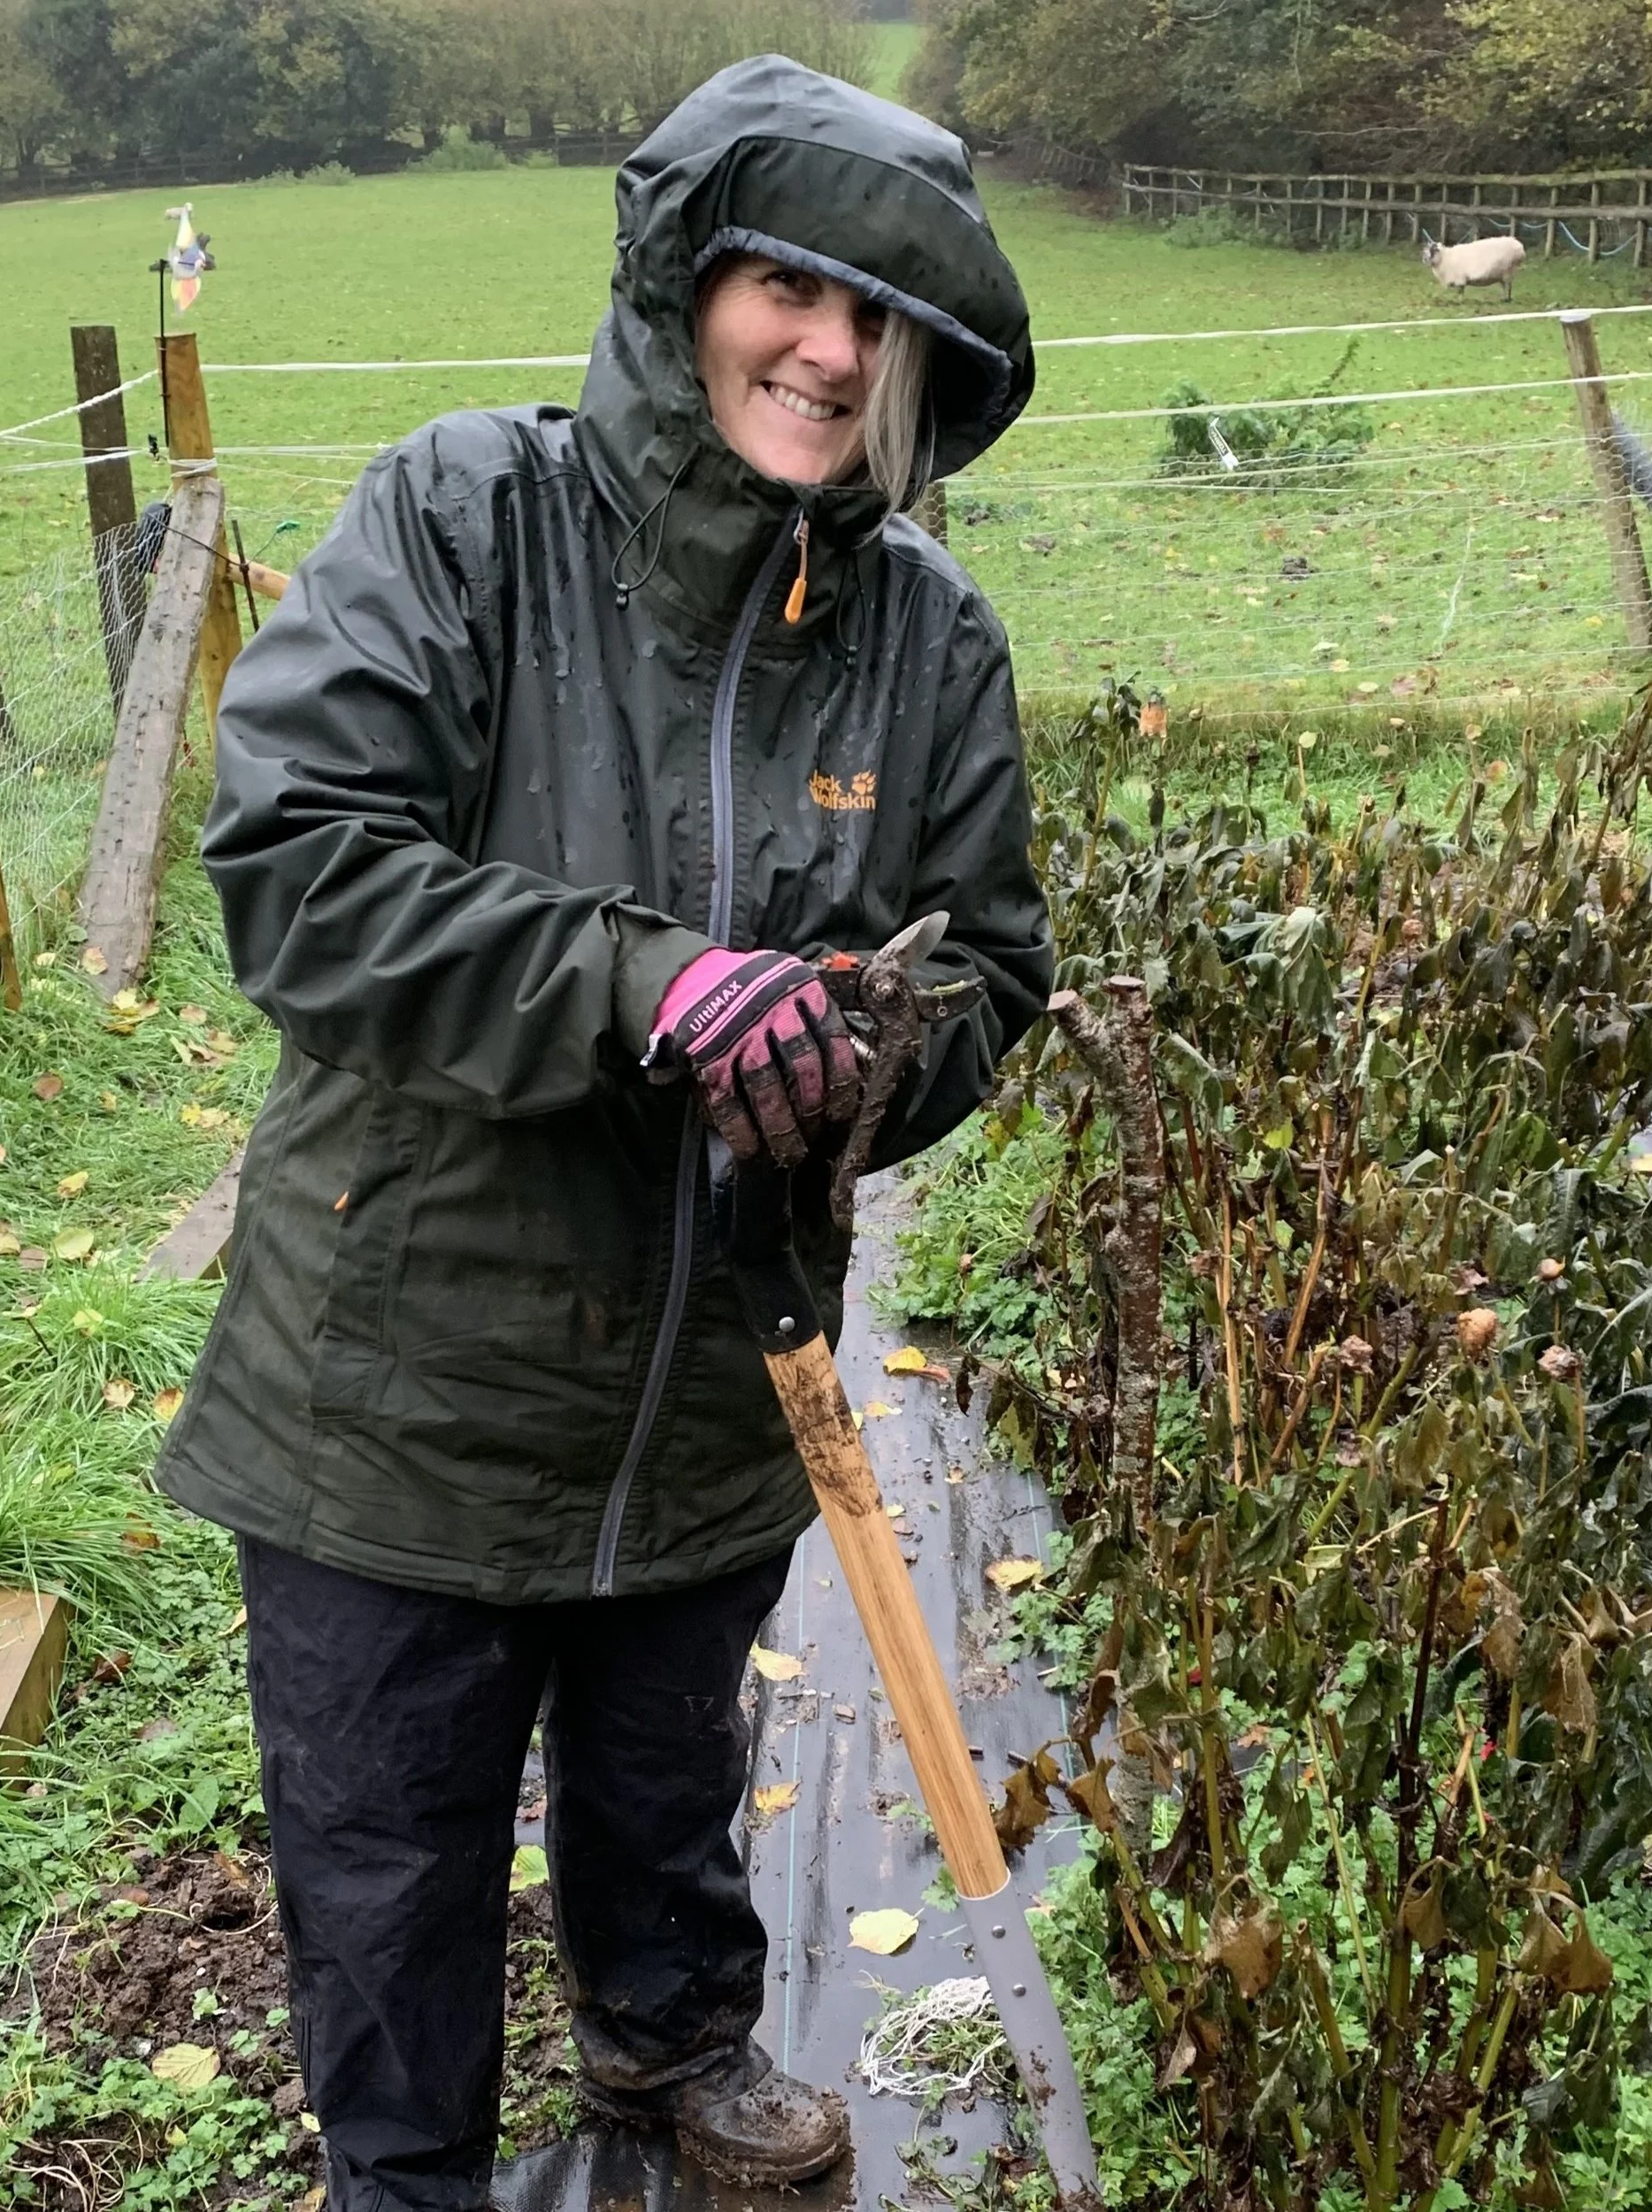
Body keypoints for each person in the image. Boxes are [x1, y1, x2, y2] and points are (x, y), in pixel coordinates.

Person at [151, 56, 1049, 2210]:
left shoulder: (927, 641)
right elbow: (297, 866)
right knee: (393, 1842)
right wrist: (644, 982)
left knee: (668, 1766)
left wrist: (869, 1056)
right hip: (405, 1383)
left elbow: (990, 974)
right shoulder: (473, 517)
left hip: (716, 1381)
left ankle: (667, 2052)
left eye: (876, 316)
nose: (826, 349)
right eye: (784, 285)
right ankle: (407, 2173)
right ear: (687, 289)